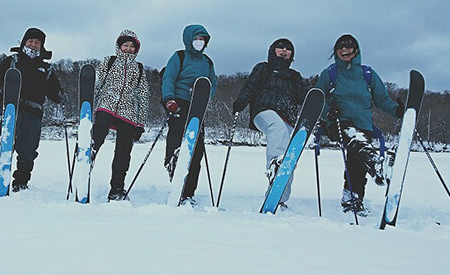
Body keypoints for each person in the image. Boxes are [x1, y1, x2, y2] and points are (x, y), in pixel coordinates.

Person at [315, 34, 404, 216]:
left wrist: (397, 111)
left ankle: (353, 200)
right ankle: (376, 164)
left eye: (349, 46)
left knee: (357, 164)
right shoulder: (330, 73)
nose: (344, 50)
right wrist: (327, 112)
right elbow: (317, 98)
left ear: (356, 50)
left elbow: (382, 99)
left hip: (363, 124)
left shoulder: (367, 74)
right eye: (340, 47)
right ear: (335, 51)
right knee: (357, 143)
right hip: (338, 122)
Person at [0, 27, 64, 192]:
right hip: (11, 109)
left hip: (34, 112)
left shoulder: (45, 69)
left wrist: (59, 96)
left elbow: (54, 91)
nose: (33, 45)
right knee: (7, 142)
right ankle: (2, 176)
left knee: (28, 149)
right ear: (24, 42)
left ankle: (21, 182)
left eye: (37, 43)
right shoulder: (12, 61)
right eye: (30, 41)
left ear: (41, 46)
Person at [232, 38, 307, 208]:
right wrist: (240, 102)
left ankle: (278, 198)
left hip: (288, 117)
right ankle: (275, 166)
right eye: (280, 47)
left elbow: (304, 97)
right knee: (277, 128)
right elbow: (249, 87)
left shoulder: (294, 77)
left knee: (290, 156)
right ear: (273, 50)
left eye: (288, 49)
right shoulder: (263, 68)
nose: (284, 50)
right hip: (264, 111)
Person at [161, 24, 217, 206]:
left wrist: (204, 94)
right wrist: (169, 99)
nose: (199, 43)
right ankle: (172, 161)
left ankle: (188, 193)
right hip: (179, 102)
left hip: (197, 106)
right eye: (196, 39)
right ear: (189, 40)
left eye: (202, 40)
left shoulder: (207, 62)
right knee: (177, 135)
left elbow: (213, 83)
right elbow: (168, 77)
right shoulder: (179, 57)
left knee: (197, 149)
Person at [91, 29, 149, 201]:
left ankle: (117, 188)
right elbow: (97, 83)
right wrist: (87, 107)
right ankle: (89, 154)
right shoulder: (109, 61)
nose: (128, 49)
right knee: (99, 130)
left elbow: (143, 96)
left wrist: (140, 123)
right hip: (107, 104)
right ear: (119, 46)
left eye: (132, 46)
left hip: (128, 112)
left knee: (123, 152)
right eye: (125, 45)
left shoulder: (139, 68)